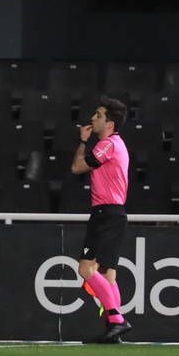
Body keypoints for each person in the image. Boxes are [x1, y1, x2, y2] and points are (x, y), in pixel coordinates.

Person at [70, 97, 132, 343]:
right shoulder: (116, 144)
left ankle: (117, 319)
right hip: (114, 214)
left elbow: (77, 168)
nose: (93, 118)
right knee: (108, 275)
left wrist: (82, 142)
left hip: (105, 213)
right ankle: (112, 328)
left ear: (110, 122)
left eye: (98, 114)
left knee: (85, 268)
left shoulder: (108, 144)